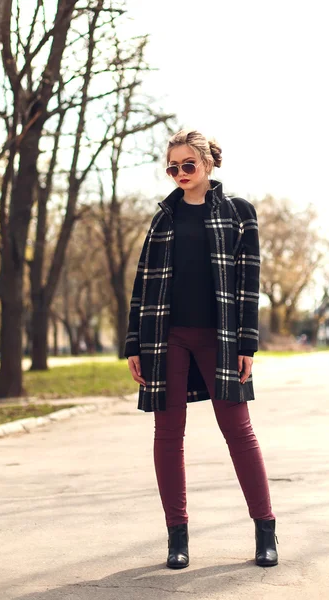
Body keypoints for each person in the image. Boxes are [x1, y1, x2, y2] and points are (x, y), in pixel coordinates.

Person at [124, 130, 277, 569]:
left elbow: (250, 284)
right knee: (168, 436)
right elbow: (142, 283)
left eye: (187, 165)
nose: (179, 174)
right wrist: (133, 342)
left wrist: (248, 342)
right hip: (164, 336)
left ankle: (265, 531)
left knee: (239, 431)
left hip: (221, 336)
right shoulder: (163, 218)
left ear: (208, 164)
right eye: (172, 167)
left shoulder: (238, 214)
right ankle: (177, 538)